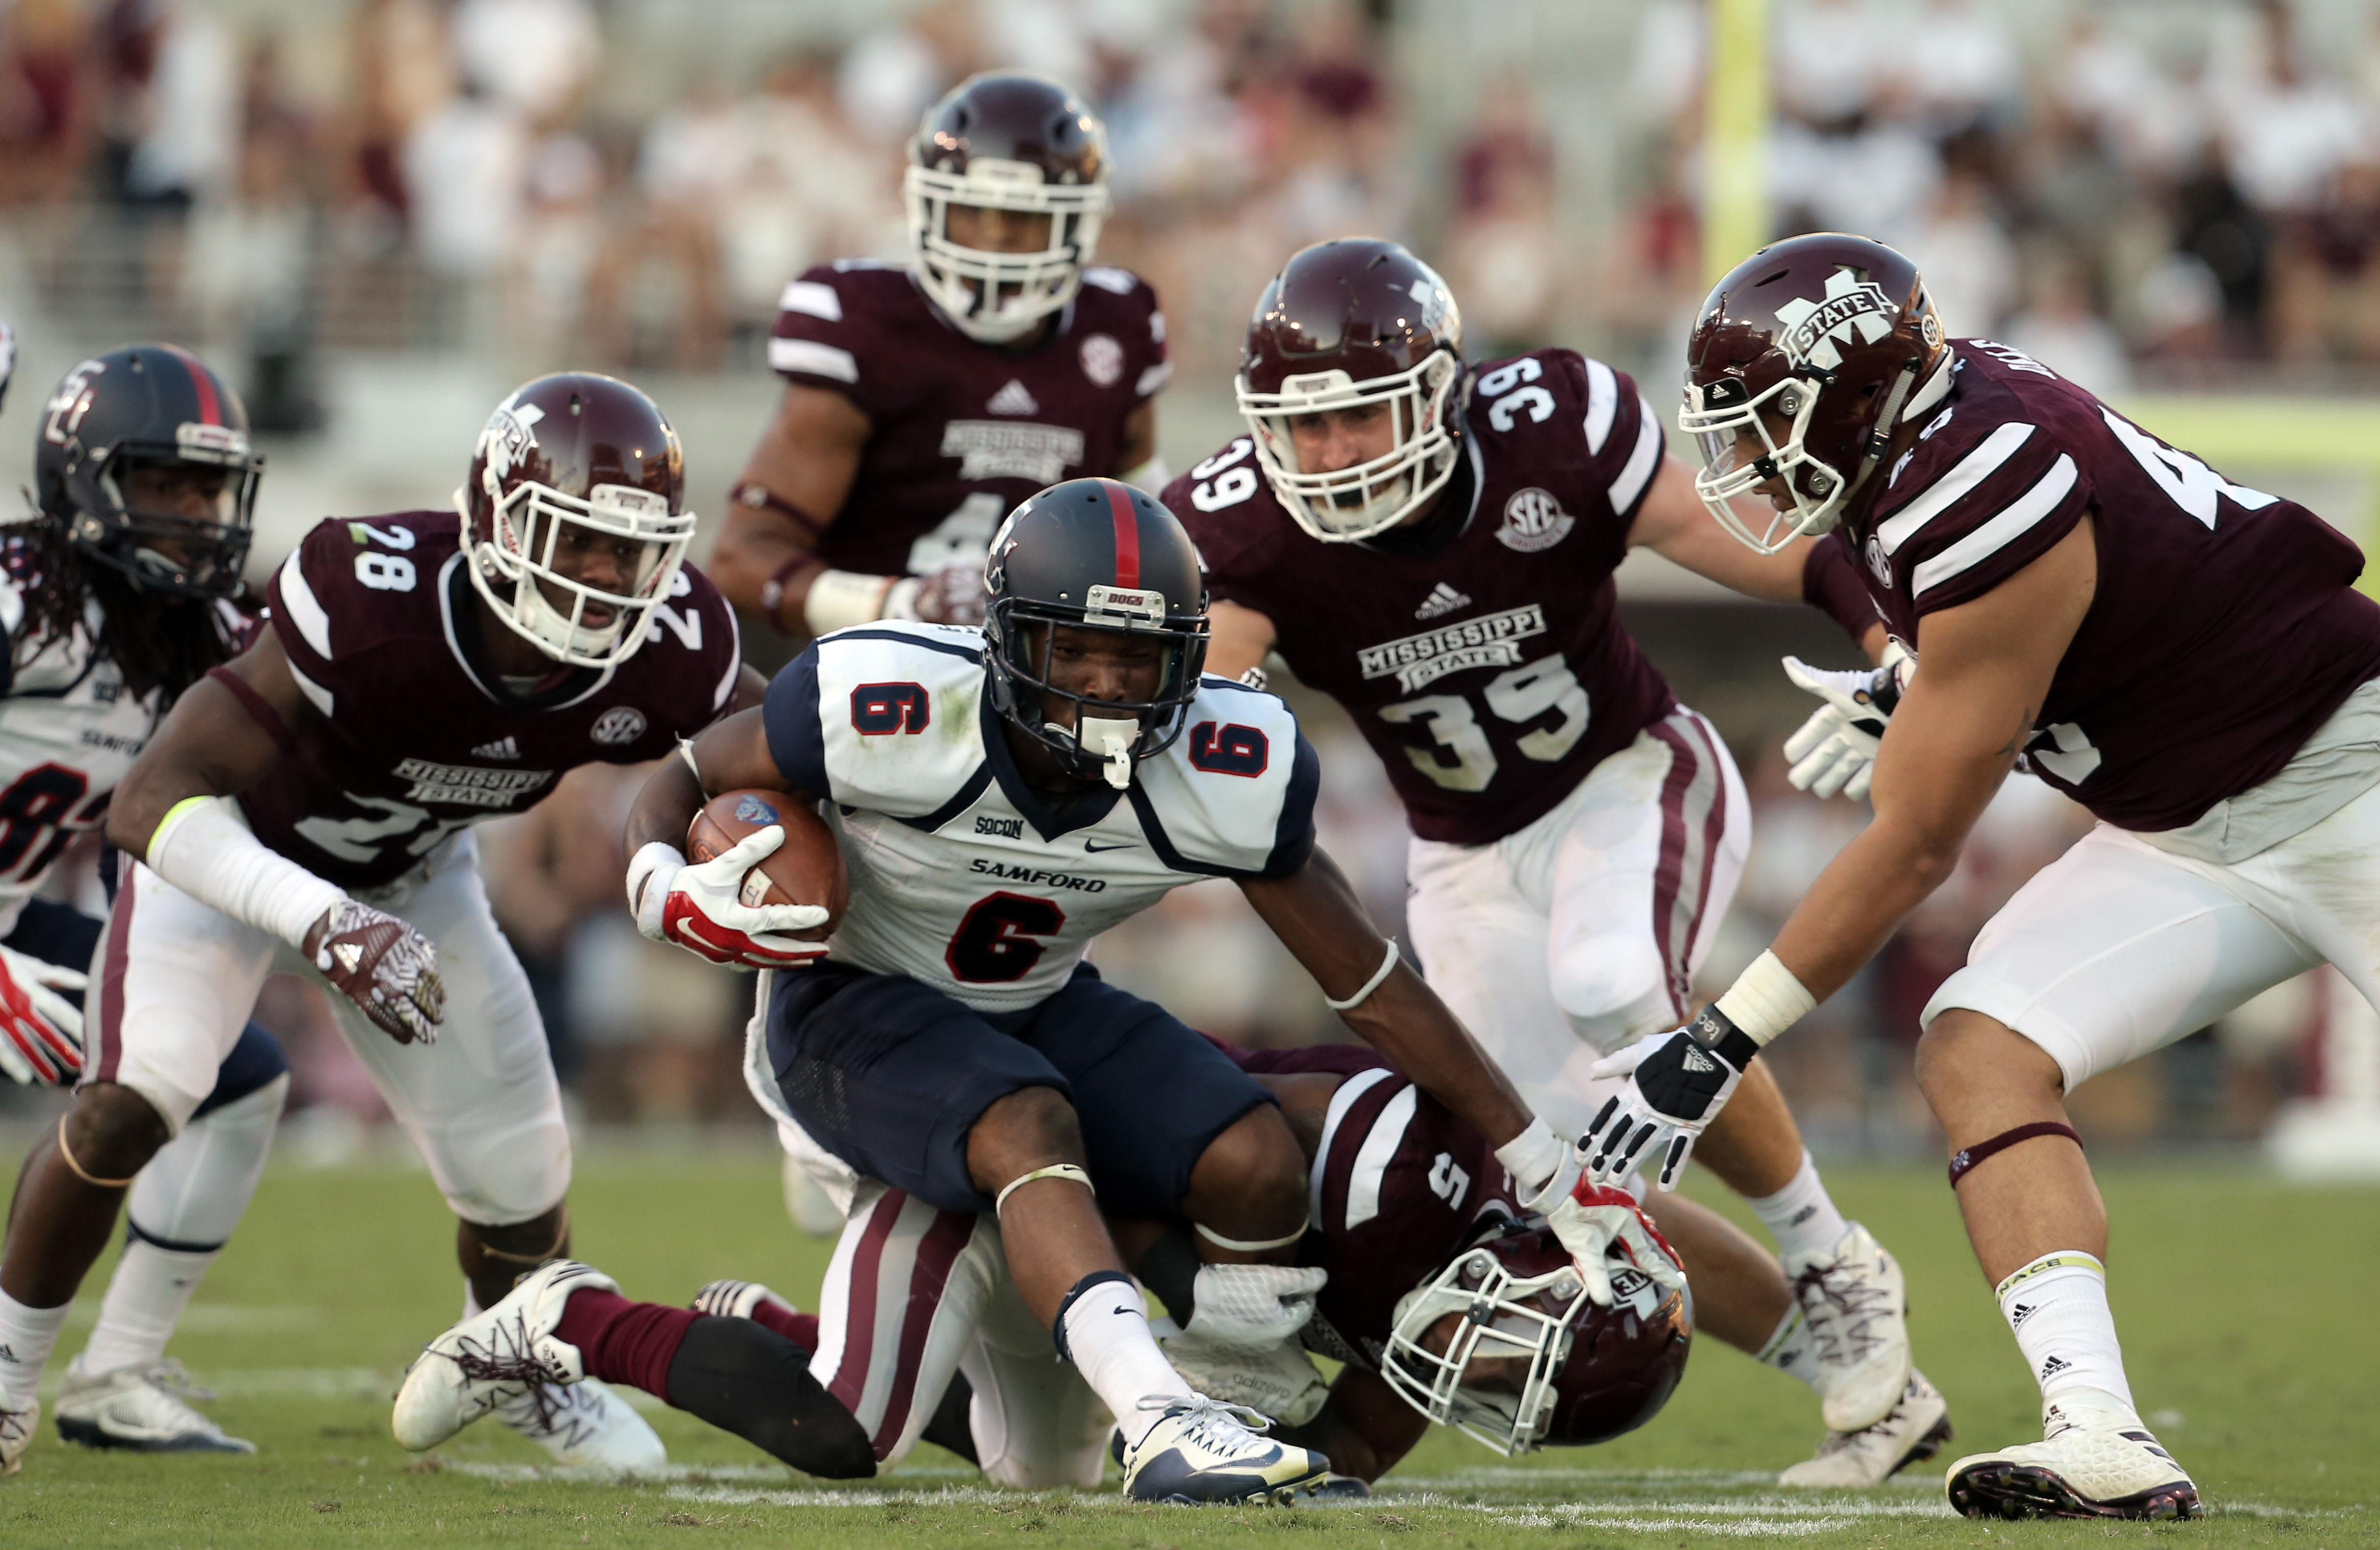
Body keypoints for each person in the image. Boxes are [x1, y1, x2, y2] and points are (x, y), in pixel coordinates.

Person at [388, 478, 1672, 1505]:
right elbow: (674, 778)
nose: (1110, 688)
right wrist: (661, 883)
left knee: (1243, 1166)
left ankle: (1195, 1397)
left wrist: (1535, 1154)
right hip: (854, 1008)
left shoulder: (1225, 761)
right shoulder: (888, 703)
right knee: (1002, 1169)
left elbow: (1366, 980)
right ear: (1003, 640)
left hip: (1038, 998)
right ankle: (1162, 1417)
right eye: (1080, 651)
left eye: (1139, 658)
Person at [1584, 232, 2380, 1520]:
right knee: (1979, 1043)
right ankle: (2097, 1434)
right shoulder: (1924, 433)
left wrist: (1718, 1041)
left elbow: (1912, 844)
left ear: (1849, 394)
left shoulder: (1977, 477)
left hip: (2348, 780)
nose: (1740, 457)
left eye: (1762, 418)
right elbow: (2058, 639)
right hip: (2183, 827)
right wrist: (1916, 681)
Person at [1160, 238, 1931, 1457]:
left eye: (1355, 421)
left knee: (1612, 985)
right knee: (1553, 1171)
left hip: (1627, 780)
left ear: (1436, 394)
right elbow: (1209, 693)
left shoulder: (1552, 429)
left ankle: (1829, 1254)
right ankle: (1856, 1377)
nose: (1322, 457)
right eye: (1296, 430)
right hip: (1460, 855)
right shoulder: (1244, 525)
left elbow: (1751, 542)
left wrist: (1888, 641)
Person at [83, 372, 749, 1475]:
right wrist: (321, 920)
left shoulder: (672, 643)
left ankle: (524, 1360)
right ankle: (18, 1379)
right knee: (143, 1085)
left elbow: (776, 740)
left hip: (414, 878)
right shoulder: (372, 589)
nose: (600, 579)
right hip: (244, 853)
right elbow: (152, 797)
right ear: (492, 519)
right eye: (572, 539)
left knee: (525, 1165)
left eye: (625, 553)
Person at [684, 1036, 1953, 1489]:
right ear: (1522, 1263)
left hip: (1259, 1269)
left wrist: (1284, 1438)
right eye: (1511, 1352)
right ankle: (854, 1210)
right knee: (1193, 1355)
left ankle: (802, 1333)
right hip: (1092, 1147)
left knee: (1075, 1458)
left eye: (1501, 1390)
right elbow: (1109, 1181)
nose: (1476, 1371)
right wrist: (1200, 1293)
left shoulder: (1451, 1340)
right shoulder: (1389, 1186)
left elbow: (1344, 1451)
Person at [0, 344, 291, 1470]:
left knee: (241, 1073)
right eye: (164, 485)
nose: (194, 515)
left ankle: (116, 1371)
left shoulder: (204, 635)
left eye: (210, 489)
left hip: (17, 912)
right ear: (85, 480)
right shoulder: (24, 599)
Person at [707, 72, 1167, 648]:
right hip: (874, 655)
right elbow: (741, 559)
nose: (995, 240)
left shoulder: (1116, 327)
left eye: (1022, 218)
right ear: (927, 206)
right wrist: (901, 602)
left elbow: (1150, 524)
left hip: (1047, 672)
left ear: (1079, 220)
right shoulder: (867, 324)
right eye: (974, 213)